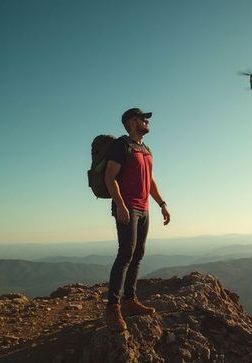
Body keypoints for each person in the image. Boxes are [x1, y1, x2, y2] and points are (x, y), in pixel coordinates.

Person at [103, 107, 171, 332]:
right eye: (143, 119)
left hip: (145, 209)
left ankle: (129, 300)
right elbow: (110, 176)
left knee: (138, 254)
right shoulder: (121, 145)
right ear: (132, 122)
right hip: (128, 208)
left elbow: (150, 181)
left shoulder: (146, 148)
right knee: (125, 253)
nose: (147, 122)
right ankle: (113, 307)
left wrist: (162, 204)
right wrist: (121, 205)